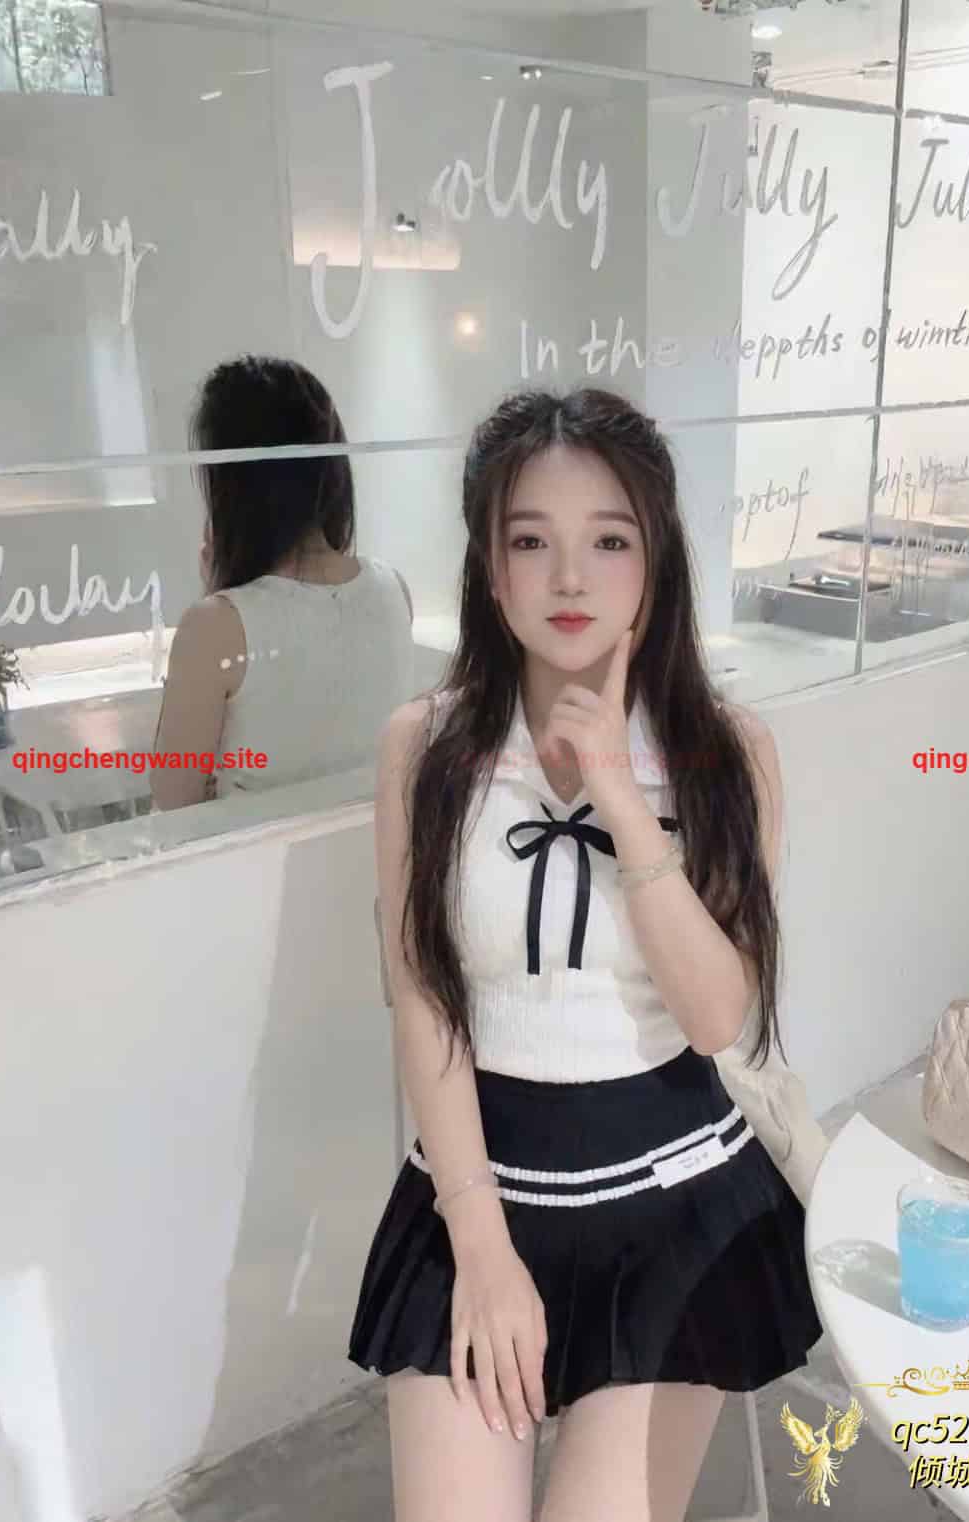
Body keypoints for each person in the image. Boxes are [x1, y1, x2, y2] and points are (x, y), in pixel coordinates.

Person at [349, 387, 823, 1522]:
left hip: (674, 1200)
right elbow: (423, 996)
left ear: (655, 563)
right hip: (478, 1189)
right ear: (490, 567)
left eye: (609, 541)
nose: (570, 578)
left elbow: (719, 1017)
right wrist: (481, 1248)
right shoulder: (425, 749)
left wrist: (615, 788)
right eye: (531, 542)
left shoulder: (727, 754)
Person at [151, 355, 414, 809]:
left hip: (256, 855)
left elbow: (174, 799)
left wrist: (216, 597)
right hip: (372, 848)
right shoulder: (395, 589)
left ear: (234, 485)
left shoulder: (214, 627)